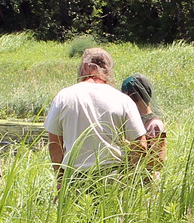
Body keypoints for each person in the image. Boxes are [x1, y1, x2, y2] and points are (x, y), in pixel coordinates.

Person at [45, 47, 148, 185]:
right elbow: (140, 145)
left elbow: (54, 143)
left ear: (85, 66)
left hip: (74, 178)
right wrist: (128, 178)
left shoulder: (64, 97)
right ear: (108, 70)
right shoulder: (122, 99)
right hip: (112, 178)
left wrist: (60, 180)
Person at [121, 74, 167, 178]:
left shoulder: (154, 125)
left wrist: (130, 147)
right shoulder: (131, 121)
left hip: (148, 181)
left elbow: (158, 161)